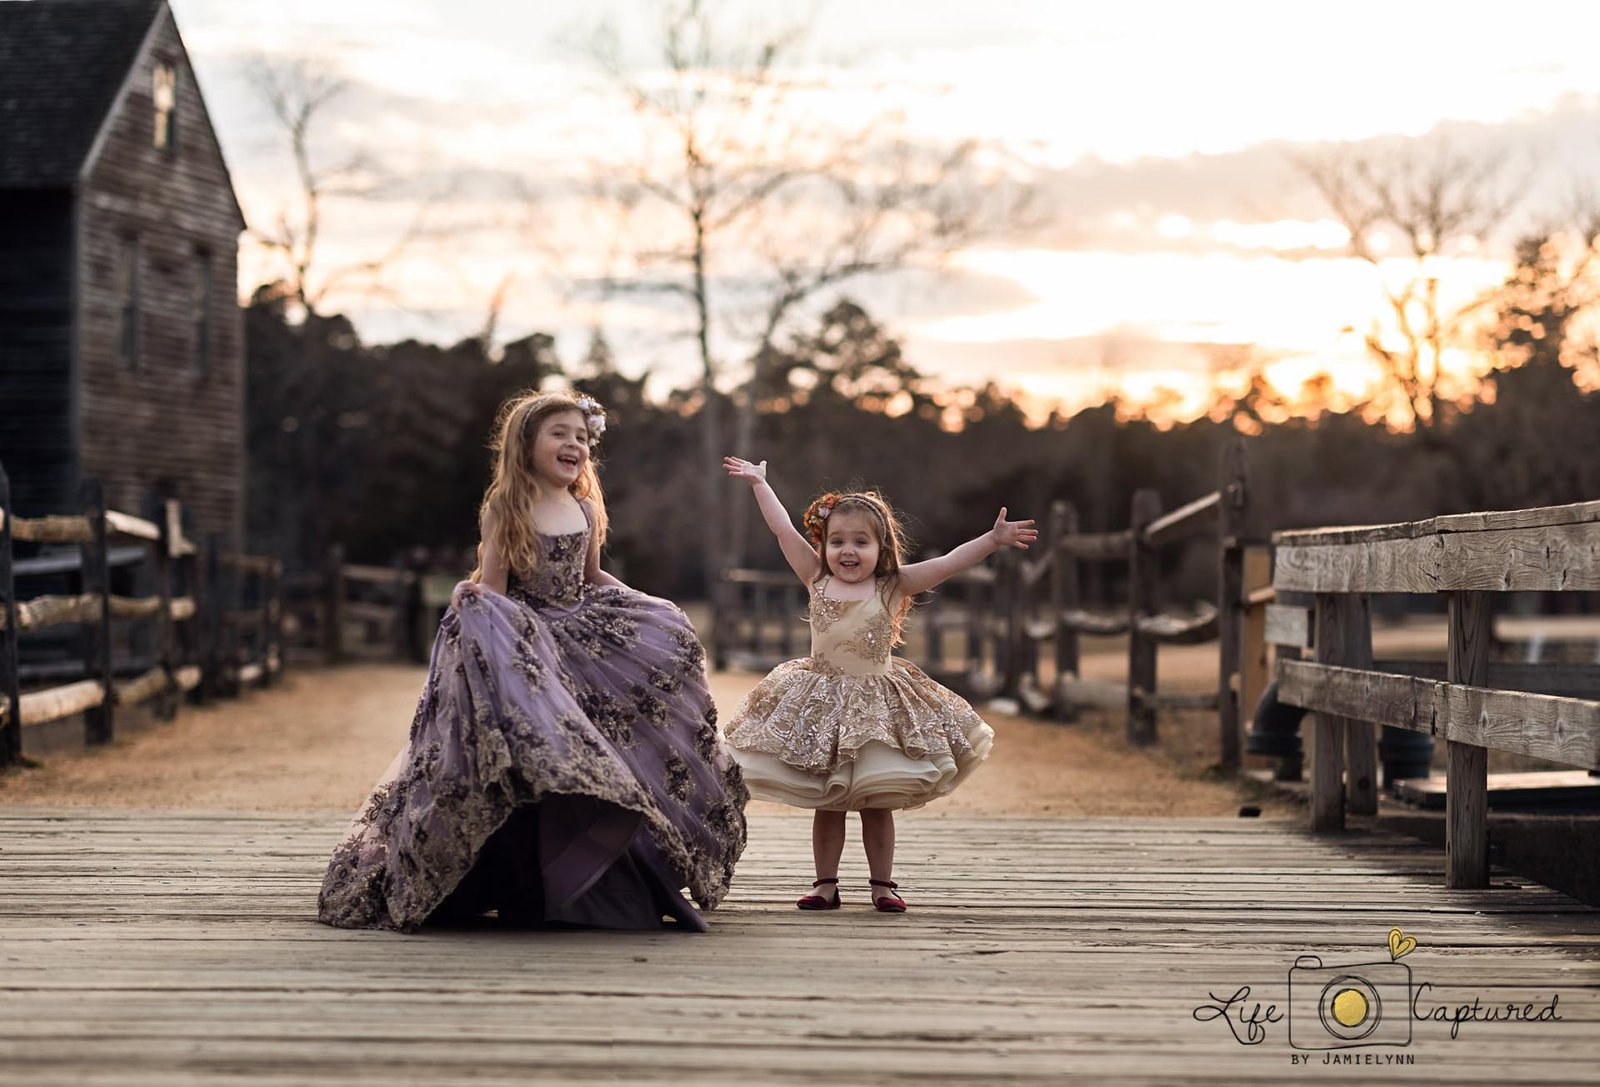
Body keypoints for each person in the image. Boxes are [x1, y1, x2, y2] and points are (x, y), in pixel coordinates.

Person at [317, 392, 747, 933]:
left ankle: (602, 874)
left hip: (583, 632)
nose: (574, 444)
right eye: (559, 434)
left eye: (582, 437)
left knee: (620, 733)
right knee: (537, 748)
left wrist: (649, 606)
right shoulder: (507, 506)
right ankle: (520, 876)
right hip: (523, 639)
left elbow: (591, 579)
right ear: (527, 444)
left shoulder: (586, 507)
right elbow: (494, 587)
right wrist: (471, 596)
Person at [721, 456, 1036, 912]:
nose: (848, 551)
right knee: (827, 801)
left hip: (876, 708)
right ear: (825, 546)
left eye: (861, 542)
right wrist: (760, 484)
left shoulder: (893, 586)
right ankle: (825, 884)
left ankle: (882, 884)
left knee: (875, 799)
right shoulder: (816, 578)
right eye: (838, 541)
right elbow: (783, 531)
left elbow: (949, 562)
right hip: (822, 703)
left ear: (882, 546)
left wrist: (992, 539)